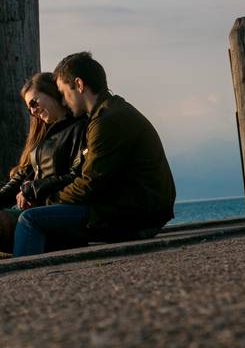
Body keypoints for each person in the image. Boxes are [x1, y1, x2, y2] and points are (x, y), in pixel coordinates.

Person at [13, 52, 176, 257]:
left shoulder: (106, 121)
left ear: (79, 85)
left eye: (63, 93)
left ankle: (24, 284)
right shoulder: (111, 111)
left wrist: (46, 201)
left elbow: (89, 185)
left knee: (30, 219)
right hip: (140, 211)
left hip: (135, 217)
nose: (63, 100)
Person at [0, 72, 88, 265]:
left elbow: (77, 175)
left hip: (47, 209)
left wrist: (32, 188)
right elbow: (19, 179)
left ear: (53, 93)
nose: (32, 111)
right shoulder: (43, 139)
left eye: (34, 103)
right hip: (29, 205)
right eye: (29, 108)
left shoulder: (79, 128)